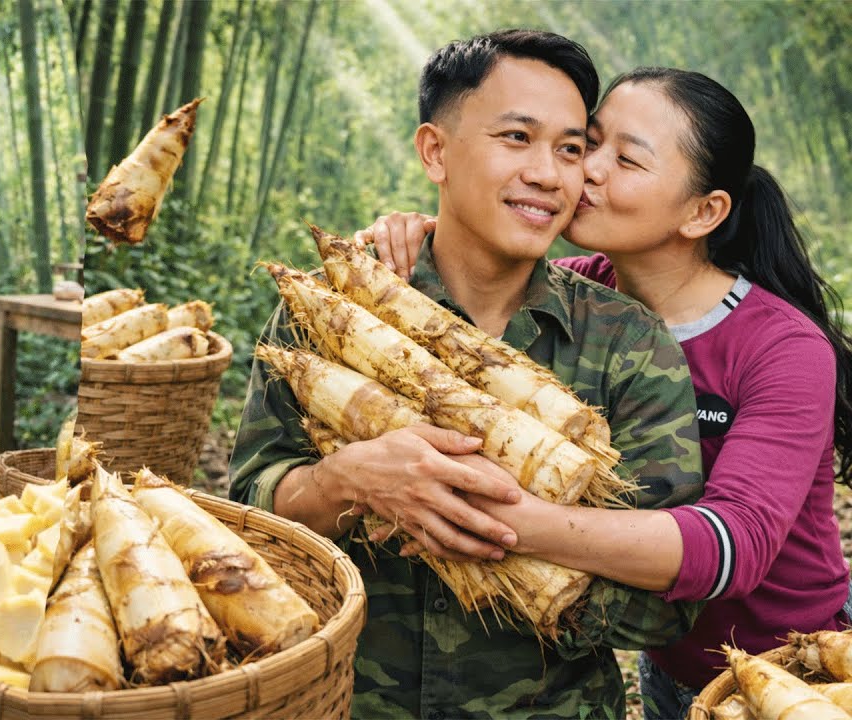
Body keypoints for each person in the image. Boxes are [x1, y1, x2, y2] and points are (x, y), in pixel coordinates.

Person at [229, 30, 703, 719]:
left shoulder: (628, 344)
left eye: (570, 149)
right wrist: (345, 481)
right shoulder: (333, 314)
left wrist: (503, 536)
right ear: (435, 151)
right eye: (516, 137)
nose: (548, 174)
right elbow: (247, 512)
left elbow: (669, 605)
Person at [361, 67, 852, 719]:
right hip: (670, 666)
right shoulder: (569, 297)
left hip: (796, 675)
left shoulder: (779, 349)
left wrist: (509, 525)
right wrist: (419, 235)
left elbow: (730, 547)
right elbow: (472, 281)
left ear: (703, 212)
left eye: (624, 159)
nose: (585, 170)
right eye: (586, 144)